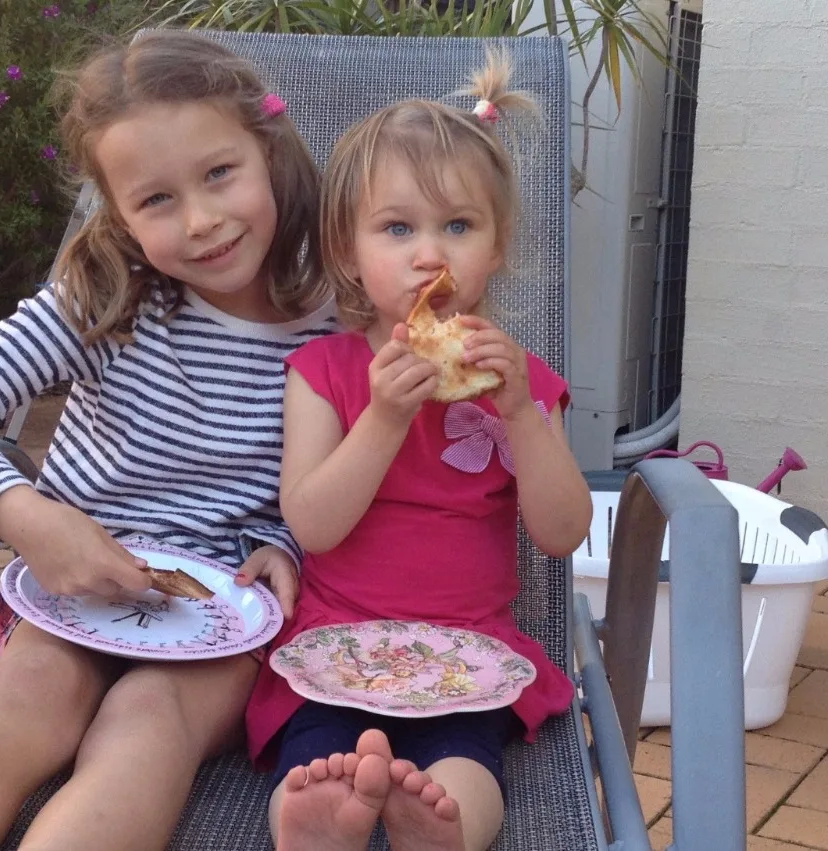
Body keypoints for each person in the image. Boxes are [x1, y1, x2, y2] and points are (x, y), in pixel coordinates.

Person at [0, 30, 335, 851]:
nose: (202, 220)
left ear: (268, 149)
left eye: (219, 173)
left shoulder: (345, 317)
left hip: (228, 616)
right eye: (156, 199)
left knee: (149, 716)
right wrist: (28, 517)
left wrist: (290, 543)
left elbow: (371, 472)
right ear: (118, 214)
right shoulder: (107, 297)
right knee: (29, 686)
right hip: (75, 591)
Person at [245, 52, 593, 851]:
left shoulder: (522, 381)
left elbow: (563, 531)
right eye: (398, 228)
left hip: (468, 652)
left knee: (466, 757)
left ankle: (442, 824)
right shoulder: (324, 371)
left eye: (458, 227)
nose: (430, 255)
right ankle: (315, 825)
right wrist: (384, 419)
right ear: (349, 250)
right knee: (314, 751)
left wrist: (521, 414)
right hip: (335, 639)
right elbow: (313, 522)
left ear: (496, 247)